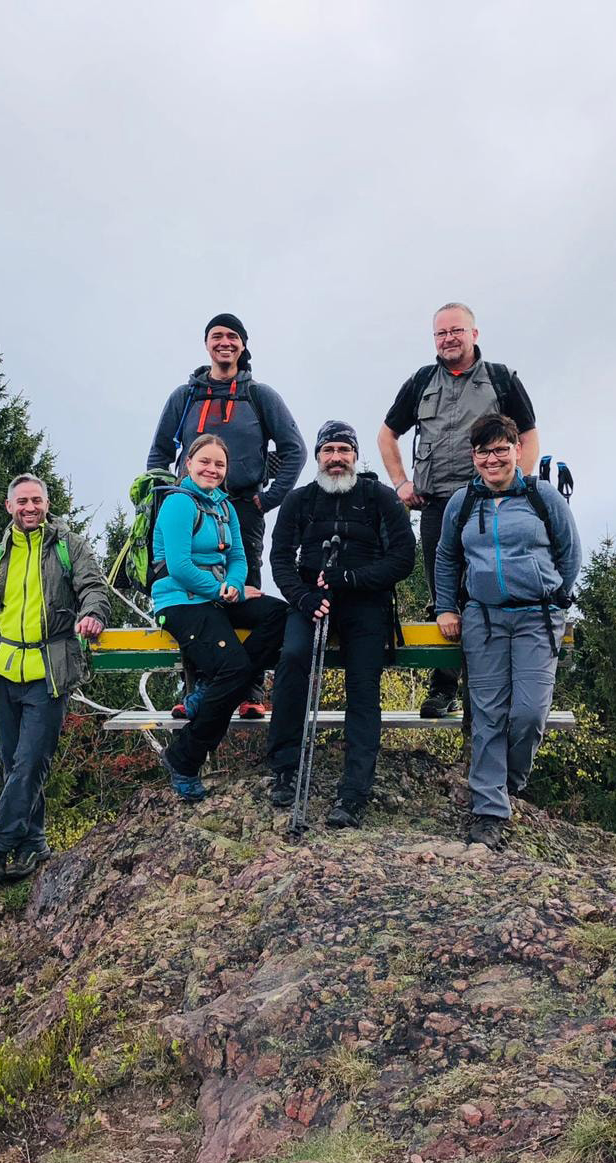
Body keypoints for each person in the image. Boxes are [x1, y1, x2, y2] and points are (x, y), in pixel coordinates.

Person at [378, 302, 541, 719]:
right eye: (441, 333)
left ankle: (483, 695)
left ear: (474, 334)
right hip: (434, 506)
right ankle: (444, 687)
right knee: (443, 598)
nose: (448, 339)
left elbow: (528, 435)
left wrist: (515, 488)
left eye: (456, 331)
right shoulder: (421, 382)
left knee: (485, 595)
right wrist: (400, 483)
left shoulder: (500, 379)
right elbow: (386, 435)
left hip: (485, 503)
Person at [147, 313, 306, 717]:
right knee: (191, 600)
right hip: (188, 505)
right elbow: (159, 455)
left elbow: (294, 450)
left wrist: (267, 500)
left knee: (243, 589)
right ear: (206, 344)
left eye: (232, 337)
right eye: (217, 336)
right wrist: (165, 496)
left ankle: (249, 692)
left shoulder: (259, 395)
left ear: (243, 345)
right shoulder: (185, 396)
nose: (225, 343)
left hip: (242, 506)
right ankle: (197, 690)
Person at [434, 414, 579, 850]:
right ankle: (489, 811)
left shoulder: (542, 497)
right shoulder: (462, 502)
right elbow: (446, 558)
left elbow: (569, 553)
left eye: (501, 449)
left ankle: (510, 782)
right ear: (473, 456)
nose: (492, 458)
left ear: (517, 450)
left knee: (529, 713)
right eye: (483, 451)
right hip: (484, 619)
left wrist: (551, 595)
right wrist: (445, 607)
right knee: (488, 715)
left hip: (537, 618)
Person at [266, 420, 415, 827]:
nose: (336, 459)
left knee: (363, 687)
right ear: (318, 457)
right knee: (292, 660)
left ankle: (354, 791)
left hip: (366, 603)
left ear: (355, 455)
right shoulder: (299, 501)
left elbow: (403, 557)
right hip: (311, 601)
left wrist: (351, 578)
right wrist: (302, 597)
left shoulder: (379, 498)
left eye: (343, 451)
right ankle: (284, 768)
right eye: (328, 451)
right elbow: (280, 558)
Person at [0, 474, 109, 884]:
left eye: (37, 500)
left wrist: (93, 613)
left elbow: (94, 588)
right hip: (2, 673)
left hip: (50, 672)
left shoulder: (69, 547)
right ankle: (33, 843)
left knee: (29, 764)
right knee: (13, 766)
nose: (30, 507)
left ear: (47, 504)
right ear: (9, 507)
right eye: (22, 501)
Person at [152, 434, 287, 801]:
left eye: (219, 465)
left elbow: (239, 557)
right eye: (205, 462)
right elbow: (178, 565)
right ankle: (185, 757)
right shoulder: (179, 504)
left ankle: (209, 691)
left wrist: (233, 584)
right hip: (181, 601)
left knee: (280, 615)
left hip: (216, 595)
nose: (212, 469)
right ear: (188, 464)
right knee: (236, 670)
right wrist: (221, 591)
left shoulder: (225, 507)